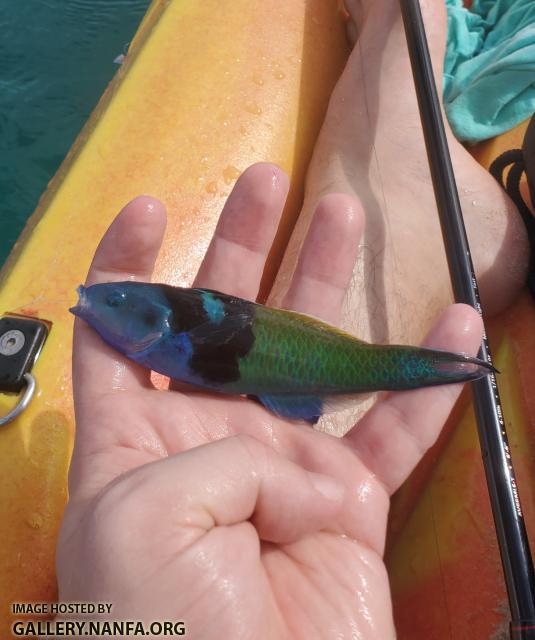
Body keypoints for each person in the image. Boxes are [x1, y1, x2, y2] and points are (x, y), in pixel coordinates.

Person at [57, 1, 525, 637]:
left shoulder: (158, 342)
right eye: (113, 303)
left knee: (342, 257)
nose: (101, 303)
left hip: (271, 410)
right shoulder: (162, 332)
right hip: (294, 453)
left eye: (116, 302)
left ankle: (397, 139)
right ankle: (401, 152)